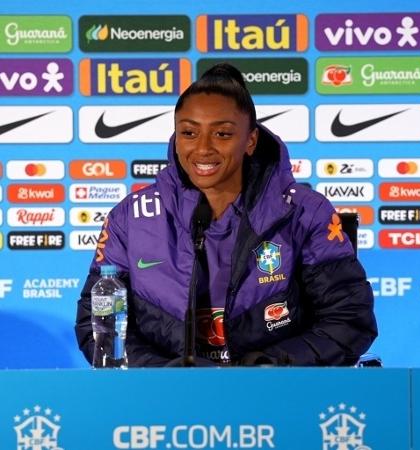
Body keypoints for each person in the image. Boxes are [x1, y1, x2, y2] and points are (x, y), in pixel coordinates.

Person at [75, 63, 377, 367]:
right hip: (163, 400)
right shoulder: (130, 218)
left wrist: (268, 366)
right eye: (189, 133)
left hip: (278, 397)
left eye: (222, 133)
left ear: (250, 141)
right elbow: (98, 326)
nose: (203, 148)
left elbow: (349, 321)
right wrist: (163, 373)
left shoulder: (305, 212)